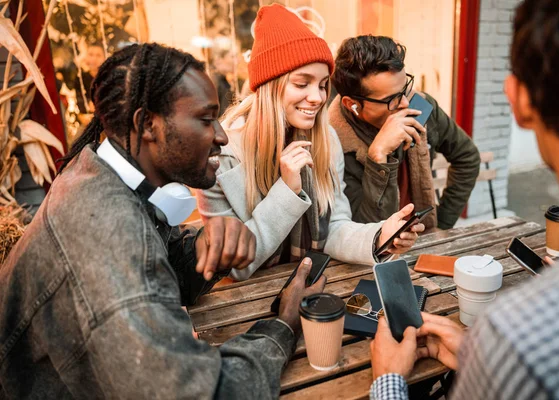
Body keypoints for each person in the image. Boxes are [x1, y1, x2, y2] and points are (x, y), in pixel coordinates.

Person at [0, 43, 325, 399]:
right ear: (147, 125)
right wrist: (283, 326)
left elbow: (155, 269)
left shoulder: (100, 173)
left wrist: (204, 248)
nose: (221, 135)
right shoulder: (107, 237)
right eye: (205, 119)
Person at [369, 0, 559, 398]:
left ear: (518, 99)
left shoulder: (516, 341)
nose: (404, 105)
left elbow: (466, 156)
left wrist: (387, 383)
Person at [196, 4, 424, 281]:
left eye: (322, 84)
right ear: (270, 86)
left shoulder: (325, 139)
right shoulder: (220, 158)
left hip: (311, 285)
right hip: (242, 303)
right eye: (302, 83)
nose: (317, 97)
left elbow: (335, 229)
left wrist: (379, 236)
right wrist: (287, 191)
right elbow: (234, 266)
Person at [330, 36, 480, 230]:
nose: (405, 104)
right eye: (391, 99)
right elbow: (361, 231)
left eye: (405, 88)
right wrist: (378, 157)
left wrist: (441, 224)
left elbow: (467, 157)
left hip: (422, 236)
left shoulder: (420, 106)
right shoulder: (333, 143)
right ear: (353, 105)